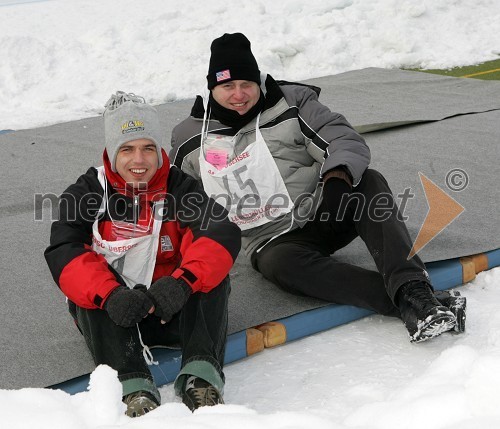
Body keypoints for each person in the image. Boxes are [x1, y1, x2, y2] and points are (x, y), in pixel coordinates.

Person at [169, 33, 466, 344]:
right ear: (212, 88)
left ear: (259, 81)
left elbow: (340, 137)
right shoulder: (189, 138)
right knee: (278, 266)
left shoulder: (292, 102)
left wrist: (337, 177)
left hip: (323, 208)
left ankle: (412, 284)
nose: (239, 94)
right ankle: (416, 303)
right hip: (270, 240)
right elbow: (180, 197)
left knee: (368, 182)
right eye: (228, 86)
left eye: (247, 84)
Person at [45, 92, 241, 417]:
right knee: (85, 292)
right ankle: (133, 387)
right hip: (115, 315)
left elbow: (218, 234)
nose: (139, 159)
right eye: (127, 149)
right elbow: (64, 252)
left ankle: (200, 379)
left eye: (148, 148)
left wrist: (181, 284)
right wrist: (109, 296)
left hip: (171, 307)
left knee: (210, 276)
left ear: (159, 150)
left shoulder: (181, 187)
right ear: (111, 152)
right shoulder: (87, 192)